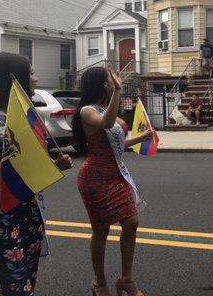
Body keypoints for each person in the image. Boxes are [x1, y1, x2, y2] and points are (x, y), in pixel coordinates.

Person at [72, 65, 153, 296]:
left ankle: (126, 279)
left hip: (115, 175)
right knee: (101, 230)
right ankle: (100, 282)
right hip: (94, 178)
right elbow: (106, 124)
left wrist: (141, 137)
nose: (113, 80)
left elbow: (116, 145)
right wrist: (118, 91)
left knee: (131, 222)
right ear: (101, 83)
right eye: (110, 79)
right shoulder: (88, 111)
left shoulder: (105, 108)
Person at [0, 52, 72, 296]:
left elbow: (32, 171)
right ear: (12, 79)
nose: (36, 79)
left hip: (29, 212)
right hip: (3, 218)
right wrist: (17, 157)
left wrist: (54, 166)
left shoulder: (25, 117)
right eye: (30, 73)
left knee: (27, 277)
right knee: (16, 288)